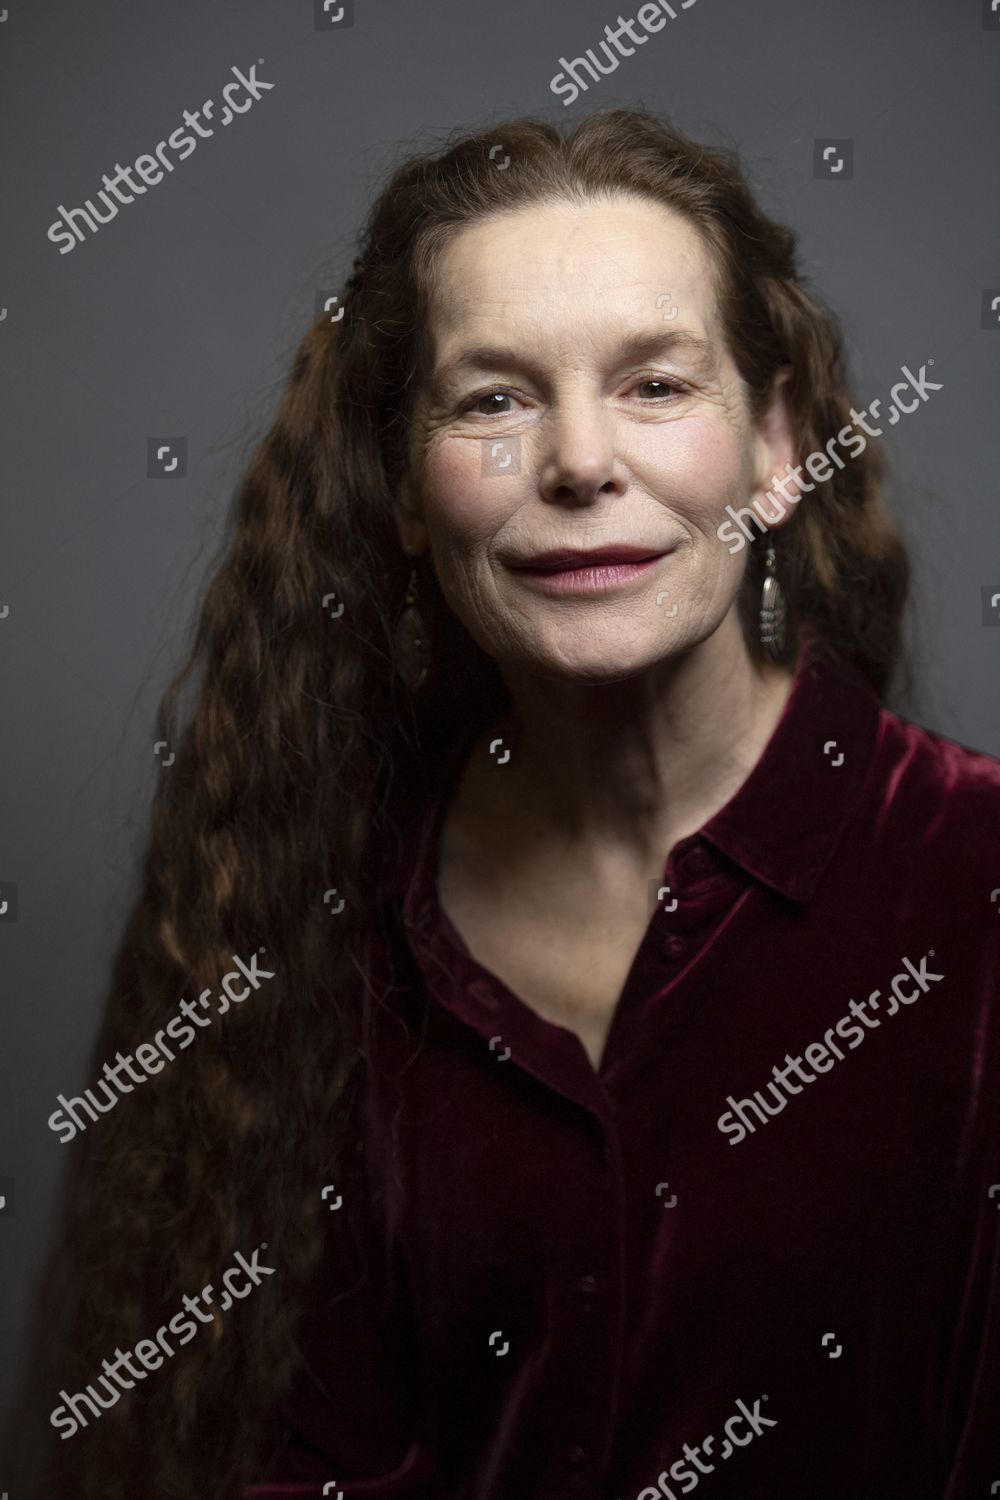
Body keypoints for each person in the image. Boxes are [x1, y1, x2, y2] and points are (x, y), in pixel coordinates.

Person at [8, 107, 999, 1500]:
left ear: (778, 452)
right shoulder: (329, 918)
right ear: (408, 493)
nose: (582, 461)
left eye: (658, 385)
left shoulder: (974, 882)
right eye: (494, 400)